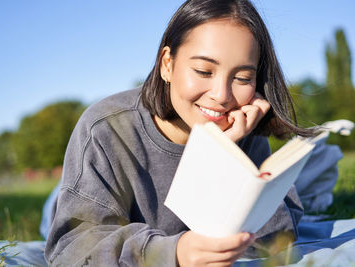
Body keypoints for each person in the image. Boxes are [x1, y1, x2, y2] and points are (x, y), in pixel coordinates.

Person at [45, 0, 313, 266]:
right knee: (56, 209)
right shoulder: (105, 129)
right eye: (203, 71)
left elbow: (277, 238)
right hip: (90, 194)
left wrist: (224, 157)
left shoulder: (243, 126)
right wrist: (173, 252)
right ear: (167, 65)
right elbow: (71, 248)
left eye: (242, 78)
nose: (222, 96)